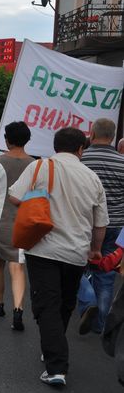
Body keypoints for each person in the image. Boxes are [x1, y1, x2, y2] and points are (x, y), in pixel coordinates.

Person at [9, 127, 108, 387]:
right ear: (80, 150)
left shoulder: (40, 167)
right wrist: (96, 249)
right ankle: (53, 348)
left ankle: (56, 367)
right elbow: (101, 222)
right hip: (76, 252)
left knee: (47, 305)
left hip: (43, 247)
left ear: (55, 146)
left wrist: (38, 201)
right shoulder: (92, 178)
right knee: (64, 304)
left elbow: (14, 197)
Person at [0, 121, 34, 331]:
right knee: (18, 265)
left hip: (0, 217)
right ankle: (19, 310)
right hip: (24, 220)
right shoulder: (35, 163)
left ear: (7, 139)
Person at [77, 118, 124, 335]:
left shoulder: (80, 160)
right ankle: (102, 323)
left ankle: (88, 301)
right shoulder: (122, 163)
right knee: (105, 276)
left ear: (92, 135)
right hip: (114, 225)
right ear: (113, 137)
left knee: (74, 267)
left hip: (83, 223)